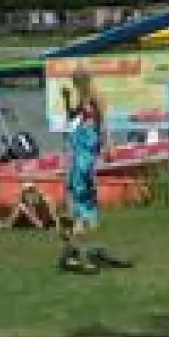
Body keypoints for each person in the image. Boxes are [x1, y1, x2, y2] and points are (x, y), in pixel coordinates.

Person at [57, 68, 132, 273]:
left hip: (86, 154)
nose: (75, 86)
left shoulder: (95, 96)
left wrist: (109, 145)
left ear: (83, 80)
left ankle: (71, 252)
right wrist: (66, 100)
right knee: (83, 210)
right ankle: (76, 255)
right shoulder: (83, 97)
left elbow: (104, 122)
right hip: (80, 155)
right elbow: (72, 117)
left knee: (84, 209)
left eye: (76, 82)